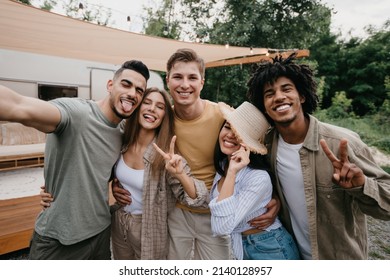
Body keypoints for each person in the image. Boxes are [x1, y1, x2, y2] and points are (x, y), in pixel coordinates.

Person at [114, 48, 280, 260]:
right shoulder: (163, 118)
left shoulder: (221, 116)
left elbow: (254, 150)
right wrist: (117, 181)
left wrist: (272, 197)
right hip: (177, 210)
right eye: (178, 77)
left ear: (202, 82)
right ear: (168, 81)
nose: (185, 84)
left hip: (215, 212)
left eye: (192, 77)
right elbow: (130, 145)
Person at [0, 60, 150, 260]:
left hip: (100, 233)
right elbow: (18, 106)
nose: (133, 93)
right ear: (110, 85)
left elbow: (102, 169)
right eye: (126, 84)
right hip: (59, 238)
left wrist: (116, 182)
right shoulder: (76, 113)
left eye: (140, 90)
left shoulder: (123, 132)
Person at [246, 53, 390, 259]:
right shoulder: (265, 146)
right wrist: (275, 198)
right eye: (269, 94)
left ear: (302, 96)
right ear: (265, 107)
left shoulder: (343, 143)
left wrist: (362, 185)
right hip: (294, 255)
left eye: (286, 89)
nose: (278, 97)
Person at [110, 87, 208, 260]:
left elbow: (197, 199)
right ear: (138, 108)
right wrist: (114, 188)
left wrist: (180, 174)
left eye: (160, 107)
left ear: (164, 116)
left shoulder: (166, 156)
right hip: (119, 222)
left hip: (148, 227)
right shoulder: (122, 142)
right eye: (147, 103)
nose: (152, 109)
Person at [209, 101, 300, 260]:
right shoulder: (222, 164)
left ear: (249, 143)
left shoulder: (258, 177)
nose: (230, 134)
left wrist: (232, 173)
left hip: (271, 247)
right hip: (242, 247)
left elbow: (221, 227)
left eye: (239, 133)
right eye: (227, 127)